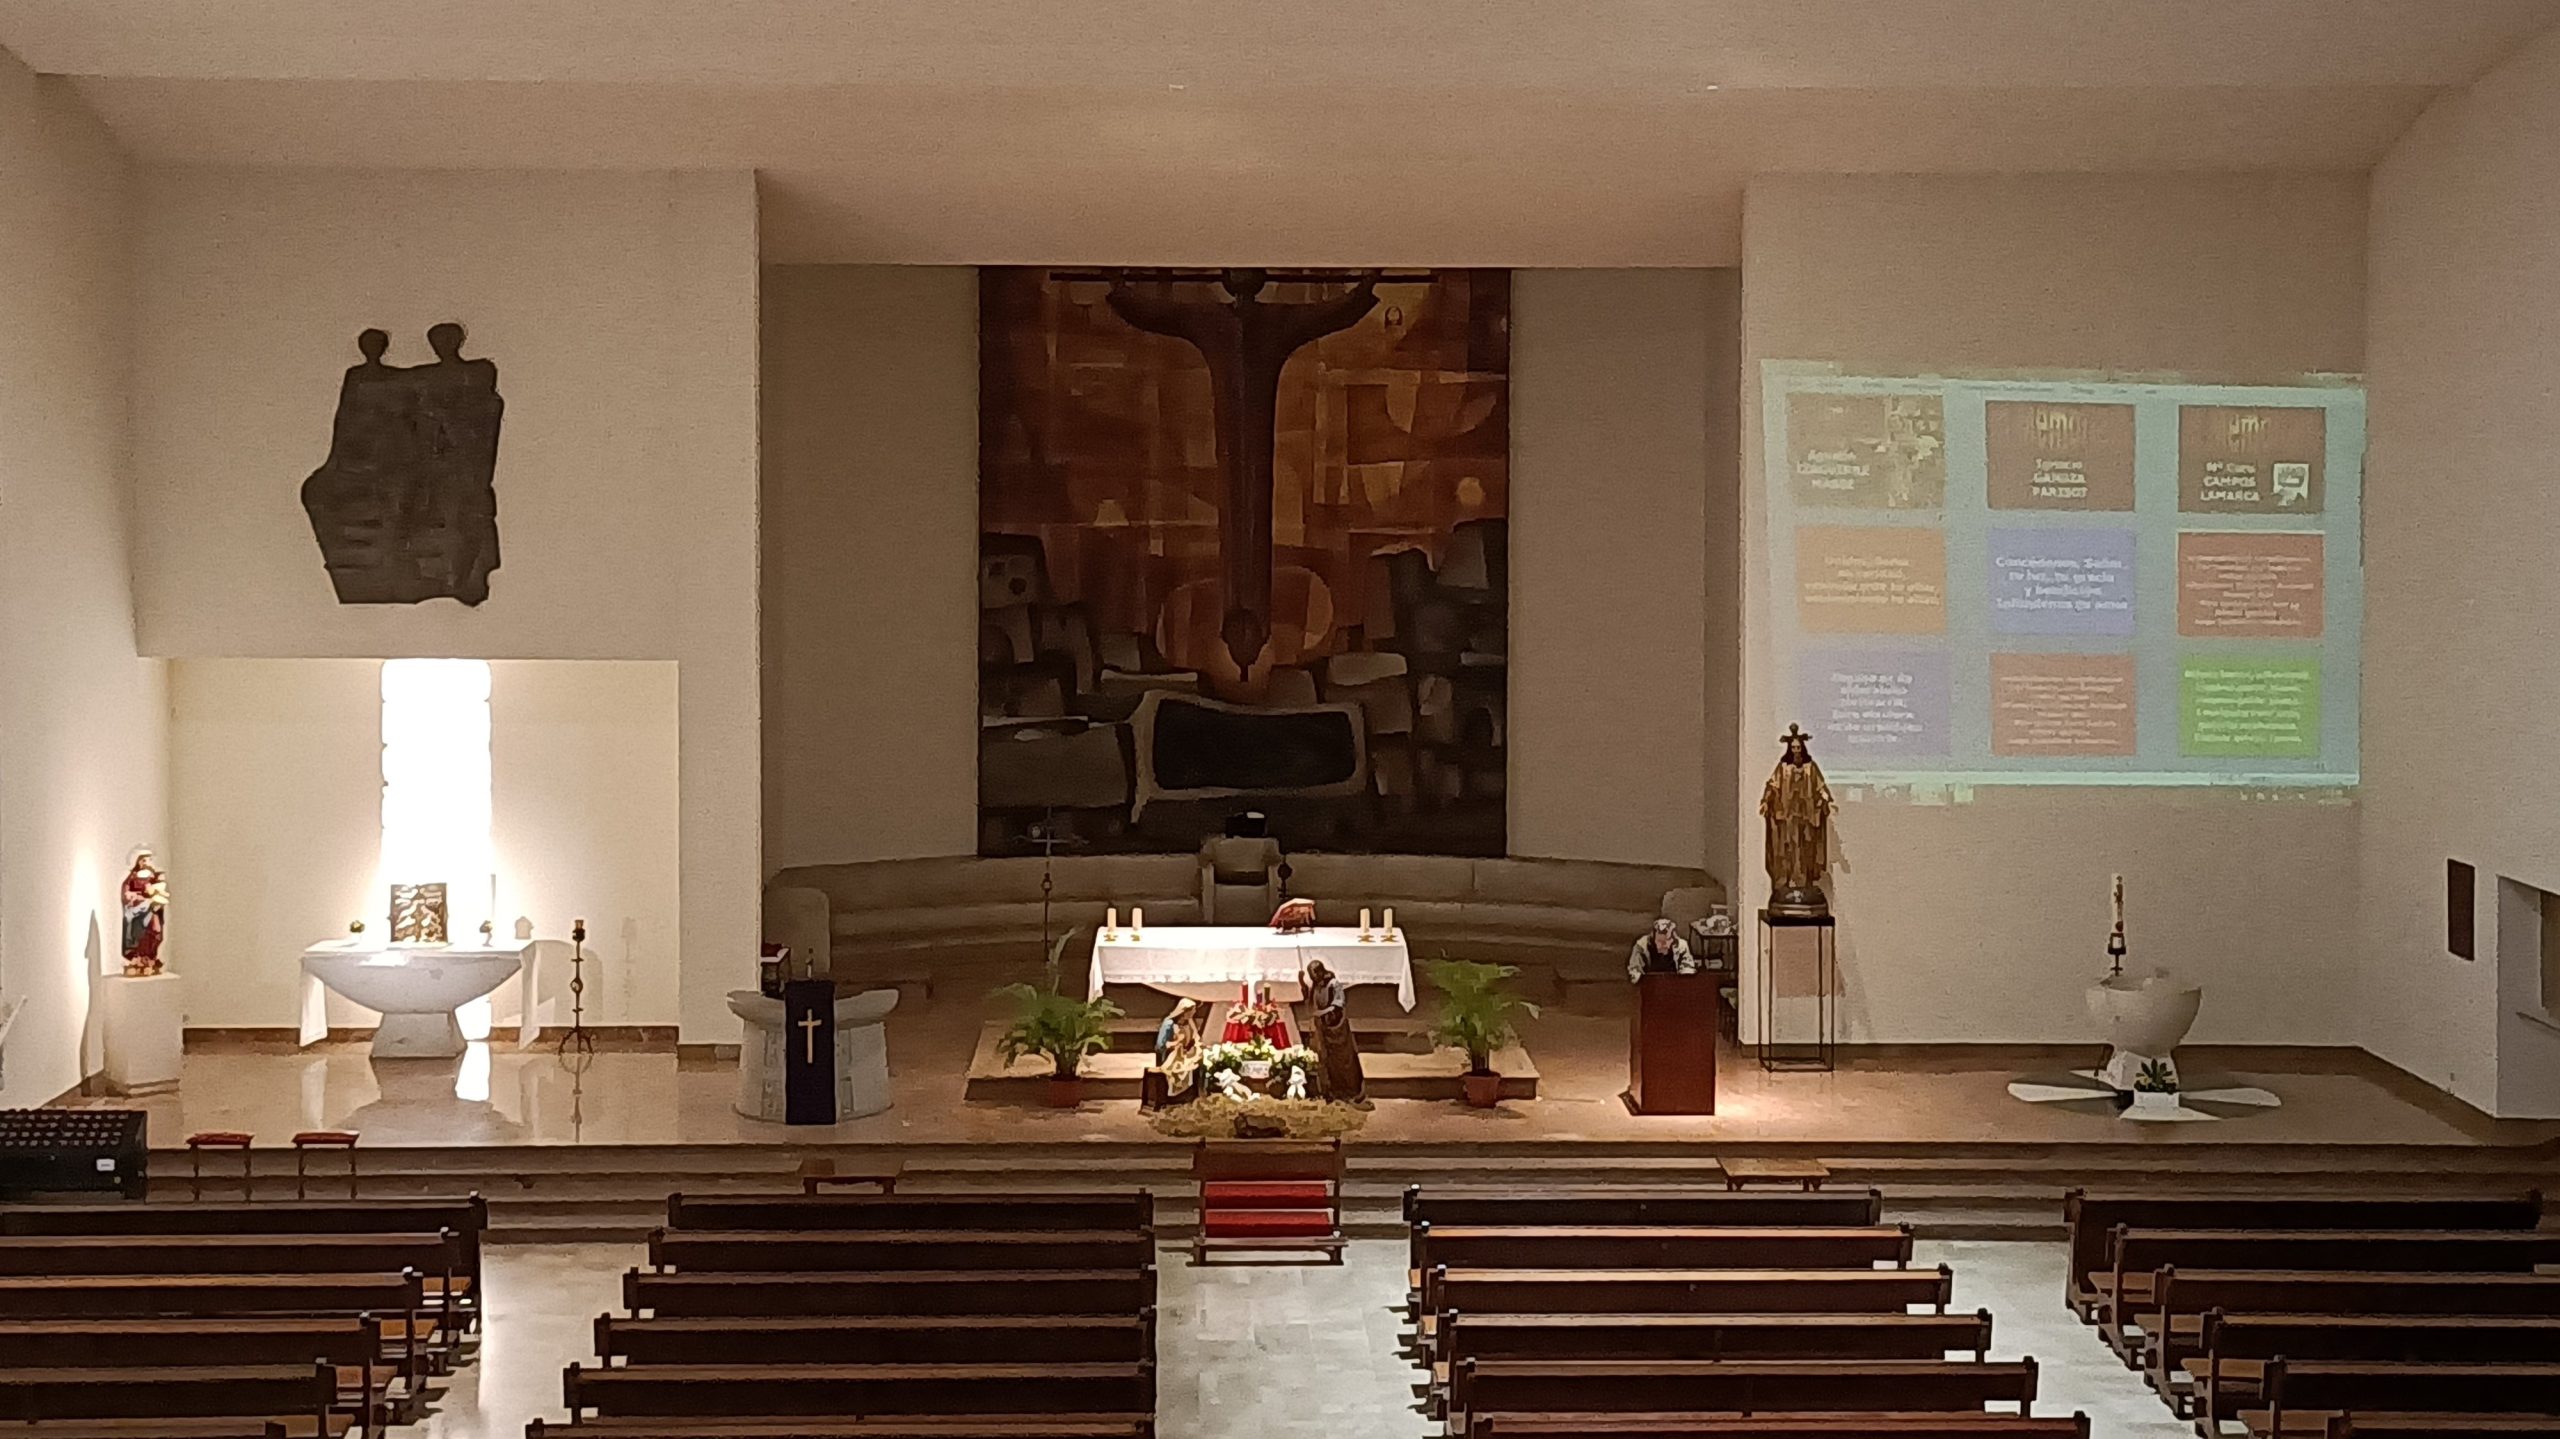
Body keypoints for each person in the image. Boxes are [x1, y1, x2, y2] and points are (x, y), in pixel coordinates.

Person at [1301, 959, 1369, 1108]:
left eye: (1314, 975)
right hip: (1324, 1030)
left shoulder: (1333, 984)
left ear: (1320, 972)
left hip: (1336, 1029)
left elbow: (1338, 1003)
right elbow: (1310, 1000)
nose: (1313, 979)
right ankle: (1334, 1091)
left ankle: (1352, 1091)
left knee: (1344, 1062)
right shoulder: (1316, 985)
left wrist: (1322, 1012)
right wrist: (1302, 983)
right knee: (1329, 1062)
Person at [1627, 917, 1698, 982]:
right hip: (1650, 985)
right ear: (1654, 938)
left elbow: (1688, 969)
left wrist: (1685, 974)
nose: (1665, 945)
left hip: (1674, 984)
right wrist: (1637, 975)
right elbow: (1635, 969)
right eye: (1660, 942)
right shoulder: (1642, 945)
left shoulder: (1681, 945)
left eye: (1668, 940)